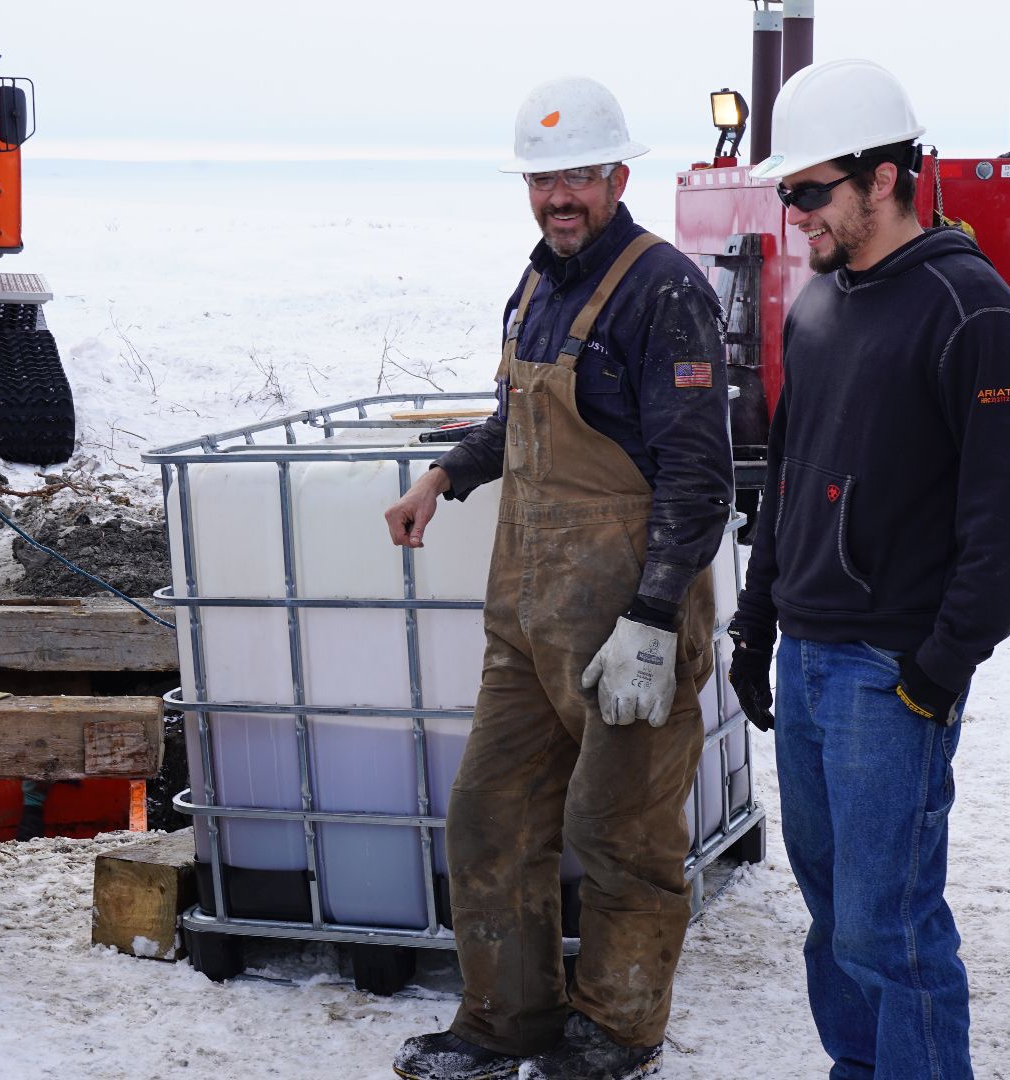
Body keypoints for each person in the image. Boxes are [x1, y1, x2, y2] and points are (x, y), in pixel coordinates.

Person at [384, 75, 732, 1080]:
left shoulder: (663, 292)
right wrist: (447, 474)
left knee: (618, 831)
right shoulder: (536, 287)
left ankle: (618, 1034)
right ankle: (506, 1023)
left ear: (619, 176)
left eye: (578, 175)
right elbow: (520, 422)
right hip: (528, 622)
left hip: (627, 623)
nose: (558, 197)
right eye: (542, 180)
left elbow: (698, 474)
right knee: (492, 815)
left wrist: (656, 616)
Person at [726, 59, 1010, 1080]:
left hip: (888, 675)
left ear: (884, 177)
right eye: (786, 195)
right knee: (833, 920)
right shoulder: (818, 305)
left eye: (812, 191)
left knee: (891, 930)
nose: (796, 217)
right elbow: (790, 474)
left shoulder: (971, 310)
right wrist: (757, 624)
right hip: (810, 665)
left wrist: (939, 665)